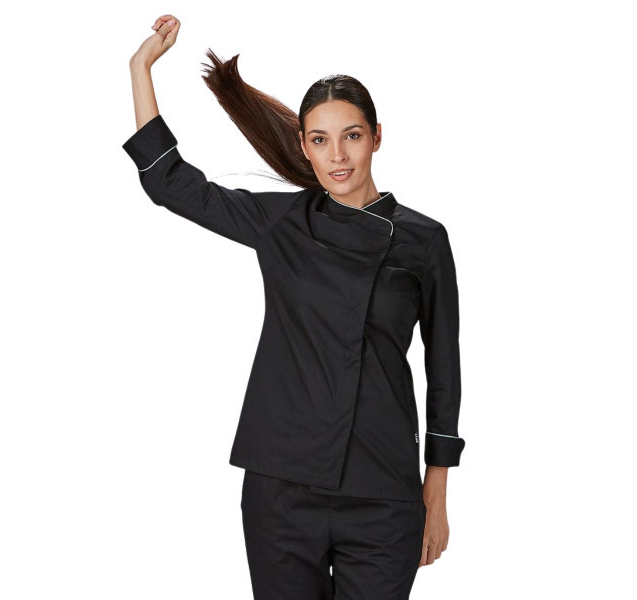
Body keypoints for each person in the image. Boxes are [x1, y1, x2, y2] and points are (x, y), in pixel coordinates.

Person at [122, 14, 466, 600]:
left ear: (377, 137)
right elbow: (170, 184)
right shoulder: (282, 223)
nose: (338, 155)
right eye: (320, 140)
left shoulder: (424, 239)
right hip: (281, 489)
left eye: (351, 136)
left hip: (383, 491)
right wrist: (140, 68)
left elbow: (444, 370)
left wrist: (436, 490)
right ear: (304, 147)